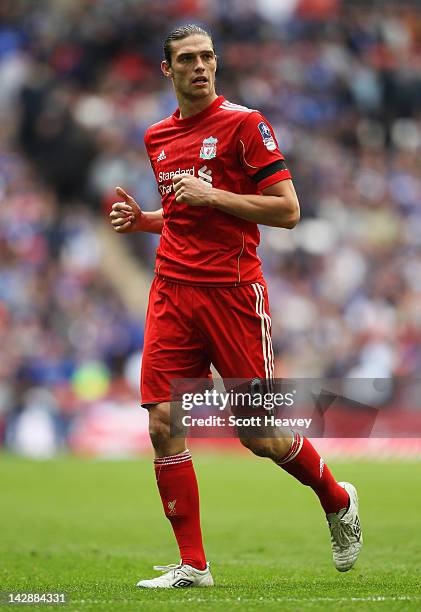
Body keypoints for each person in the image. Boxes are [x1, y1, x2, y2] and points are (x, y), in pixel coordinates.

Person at [109, 24, 362, 589]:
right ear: (166, 70)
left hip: (233, 294)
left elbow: (288, 210)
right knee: (162, 422)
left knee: (261, 437)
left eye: (207, 57)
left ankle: (338, 497)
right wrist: (146, 220)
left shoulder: (246, 125)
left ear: (216, 64)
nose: (199, 66)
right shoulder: (156, 136)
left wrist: (213, 194)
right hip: (173, 290)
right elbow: (184, 215)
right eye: (187, 59)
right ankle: (194, 565)